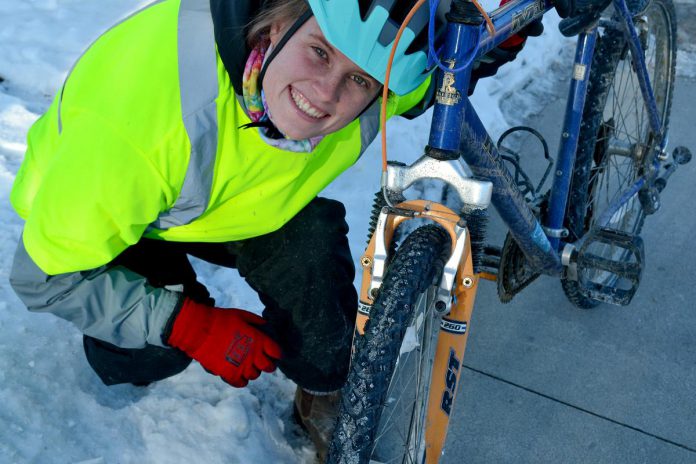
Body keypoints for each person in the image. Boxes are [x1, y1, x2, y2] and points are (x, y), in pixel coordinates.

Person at [8, 0, 586, 459]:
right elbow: (41, 277)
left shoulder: (381, 72)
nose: (327, 95)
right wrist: (190, 325)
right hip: (111, 215)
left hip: (227, 201)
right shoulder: (140, 126)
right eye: (318, 52)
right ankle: (159, 320)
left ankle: (323, 388)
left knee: (315, 280)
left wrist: (500, 35)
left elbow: (440, 72)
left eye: (361, 83)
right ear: (275, 22)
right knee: (139, 359)